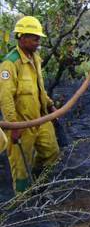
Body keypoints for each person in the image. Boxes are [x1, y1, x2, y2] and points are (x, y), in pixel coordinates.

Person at [0, 16, 60, 193]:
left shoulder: (35, 58)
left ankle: (38, 183)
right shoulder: (10, 63)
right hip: (21, 123)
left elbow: (39, 88)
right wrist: (13, 125)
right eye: (34, 37)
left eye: (38, 37)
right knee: (20, 166)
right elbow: (5, 97)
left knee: (52, 153)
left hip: (40, 118)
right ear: (22, 37)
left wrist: (50, 105)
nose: (38, 41)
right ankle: (23, 204)